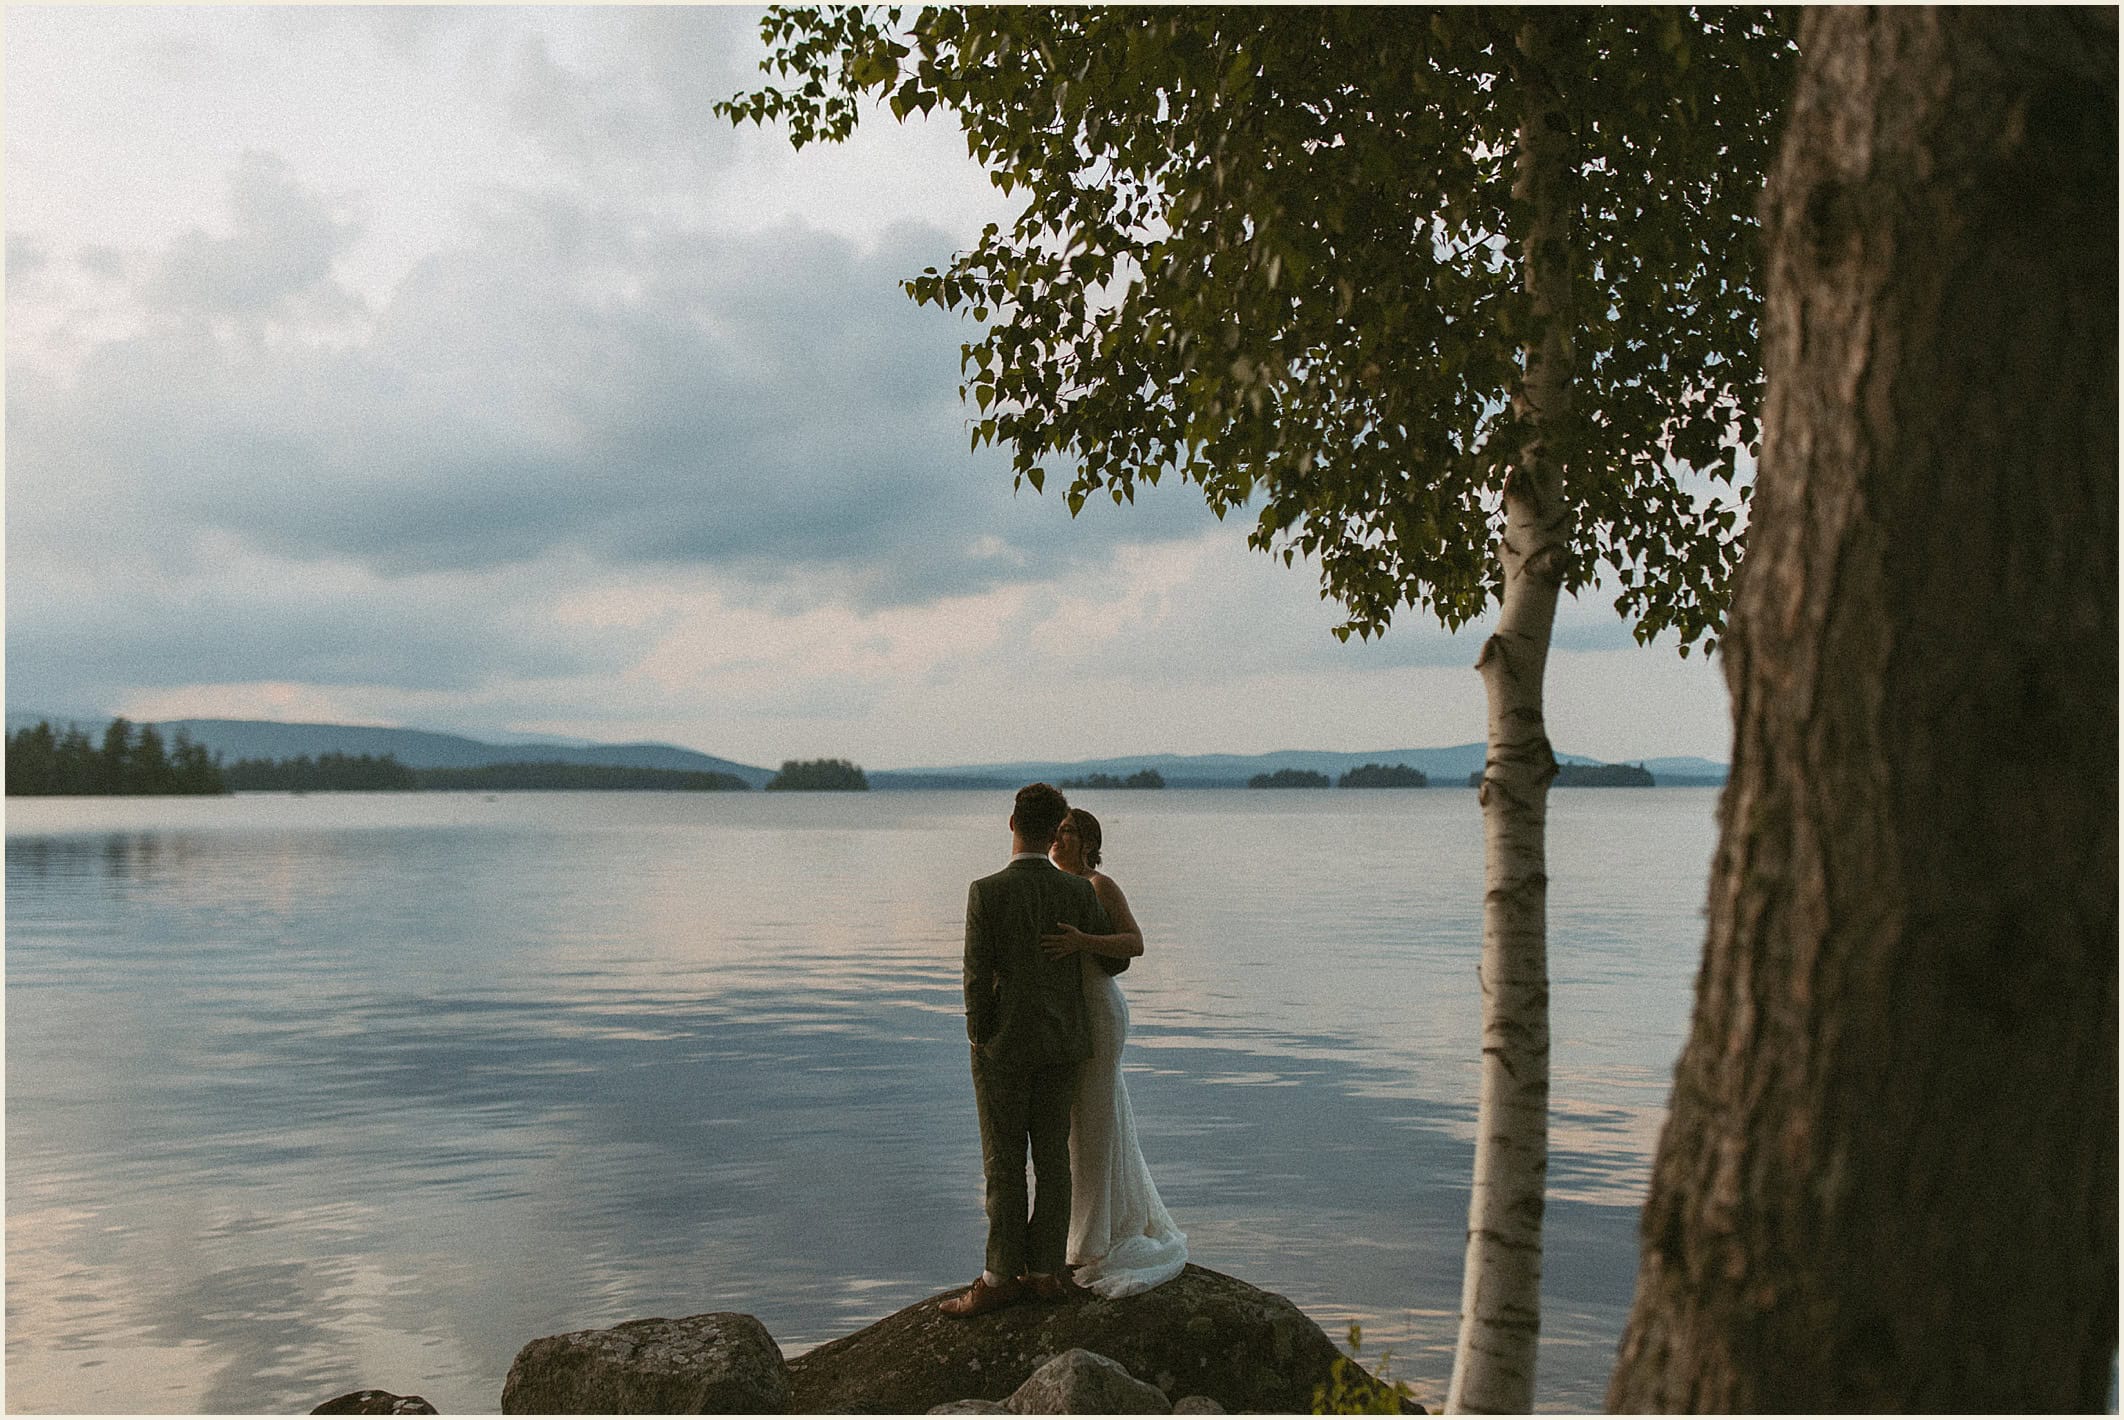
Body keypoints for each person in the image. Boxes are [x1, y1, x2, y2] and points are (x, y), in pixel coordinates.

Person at [941, 783, 1121, 1318]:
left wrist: (979, 1032)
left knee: (1003, 1160)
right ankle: (1044, 1271)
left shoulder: (986, 890)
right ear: (1051, 832)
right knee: (1052, 1159)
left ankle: (999, 1277)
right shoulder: (1078, 891)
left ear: (1012, 824)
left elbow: (976, 974)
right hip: (1064, 1040)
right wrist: (1083, 941)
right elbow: (1115, 963)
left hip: (1005, 1044)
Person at [1040, 807, 1189, 1298]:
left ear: (1087, 842)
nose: (1058, 839)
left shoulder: (1100, 886)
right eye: (1056, 831)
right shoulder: (1051, 885)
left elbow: (1135, 942)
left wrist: (1084, 941)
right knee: (1079, 1123)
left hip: (1100, 1015)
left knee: (1096, 1118)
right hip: (1069, 1018)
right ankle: (1083, 1233)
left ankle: (1093, 1242)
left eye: (1067, 832)